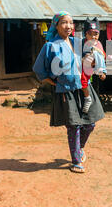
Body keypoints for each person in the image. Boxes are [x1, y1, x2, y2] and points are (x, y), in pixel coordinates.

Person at [33, 11, 105, 174]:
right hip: (66, 90)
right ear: (56, 25)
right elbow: (39, 69)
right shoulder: (50, 46)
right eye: (64, 22)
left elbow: (92, 57)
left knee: (90, 123)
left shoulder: (78, 42)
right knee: (74, 126)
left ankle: (79, 149)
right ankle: (76, 161)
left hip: (84, 88)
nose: (69, 26)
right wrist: (52, 81)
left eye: (71, 23)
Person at [81, 17, 107, 113]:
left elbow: (102, 57)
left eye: (96, 34)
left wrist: (102, 71)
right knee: (82, 78)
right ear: (85, 34)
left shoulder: (98, 45)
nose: (93, 37)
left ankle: (88, 98)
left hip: (92, 68)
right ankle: (87, 97)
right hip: (82, 67)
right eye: (90, 34)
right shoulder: (82, 43)